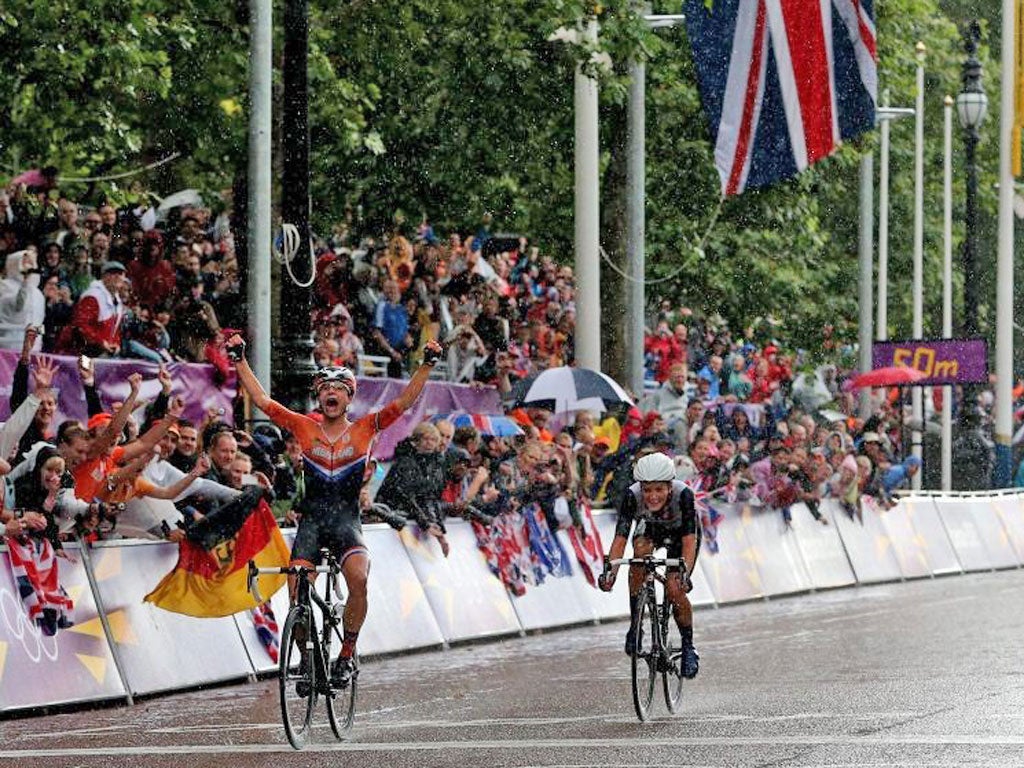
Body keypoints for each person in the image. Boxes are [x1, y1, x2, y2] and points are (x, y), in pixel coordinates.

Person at [225, 332, 443, 689]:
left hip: (346, 522)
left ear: (348, 396)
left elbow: (404, 402)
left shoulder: (365, 428)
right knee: (295, 589)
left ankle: (346, 654)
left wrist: (427, 365)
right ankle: (307, 660)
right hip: (312, 523)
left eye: (339, 387)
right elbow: (262, 400)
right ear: (319, 395)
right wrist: (239, 360)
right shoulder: (303, 427)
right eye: (325, 387)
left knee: (358, 578)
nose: (331, 392)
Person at [598, 451, 700, 679]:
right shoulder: (631, 496)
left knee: (674, 589)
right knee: (638, 557)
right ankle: (636, 626)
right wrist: (610, 573)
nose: (652, 496)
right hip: (650, 529)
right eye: (647, 490)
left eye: (659, 489)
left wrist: (683, 574)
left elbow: (688, 541)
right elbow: (620, 539)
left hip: (680, 535)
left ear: (670, 487)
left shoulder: (684, 495)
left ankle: (688, 645)